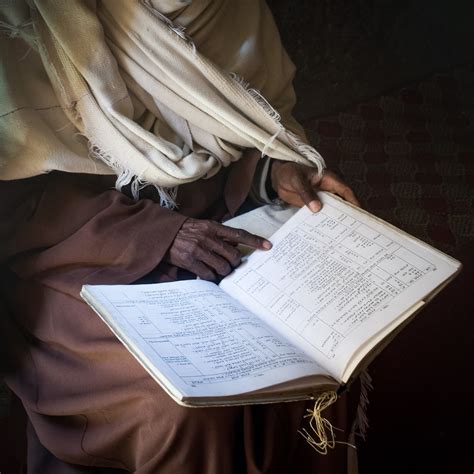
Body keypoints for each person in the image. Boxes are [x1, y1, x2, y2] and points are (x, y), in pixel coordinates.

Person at [0, 1, 360, 472]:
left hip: (221, 225)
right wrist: (161, 232)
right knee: (181, 407)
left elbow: (244, 132)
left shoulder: (232, 10)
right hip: (76, 253)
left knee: (323, 342)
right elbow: (16, 206)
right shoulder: (33, 23)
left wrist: (271, 171)